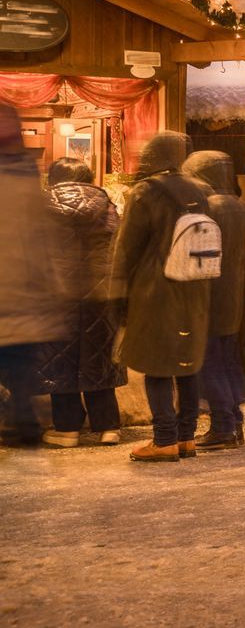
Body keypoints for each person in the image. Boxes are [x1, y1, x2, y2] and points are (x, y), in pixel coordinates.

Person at [110, 131, 214, 464]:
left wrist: (116, 292)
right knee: (186, 367)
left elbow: (126, 249)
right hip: (195, 288)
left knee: (157, 367)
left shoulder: (145, 192)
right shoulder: (202, 190)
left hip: (155, 290)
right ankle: (186, 438)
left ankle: (164, 439)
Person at [40, 158, 124, 447]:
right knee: (98, 357)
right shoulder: (108, 206)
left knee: (59, 359)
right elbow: (119, 247)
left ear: (53, 178)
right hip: (101, 294)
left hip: (55, 296)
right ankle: (108, 427)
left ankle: (67, 430)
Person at [0, 108, 68, 447]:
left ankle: (21, 423)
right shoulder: (27, 174)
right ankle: (22, 424)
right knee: (21, 369)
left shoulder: (26, 176)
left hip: (19, 295)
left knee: (19, 367)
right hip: (24, 296)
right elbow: (42, 236)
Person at [182, 151, 245, 450]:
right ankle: (234, 422)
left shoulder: (207, 207)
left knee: (209, 362)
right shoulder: (240, 206)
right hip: (232, 294)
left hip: (208, 293)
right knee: (227, 360)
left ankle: (223, 425)